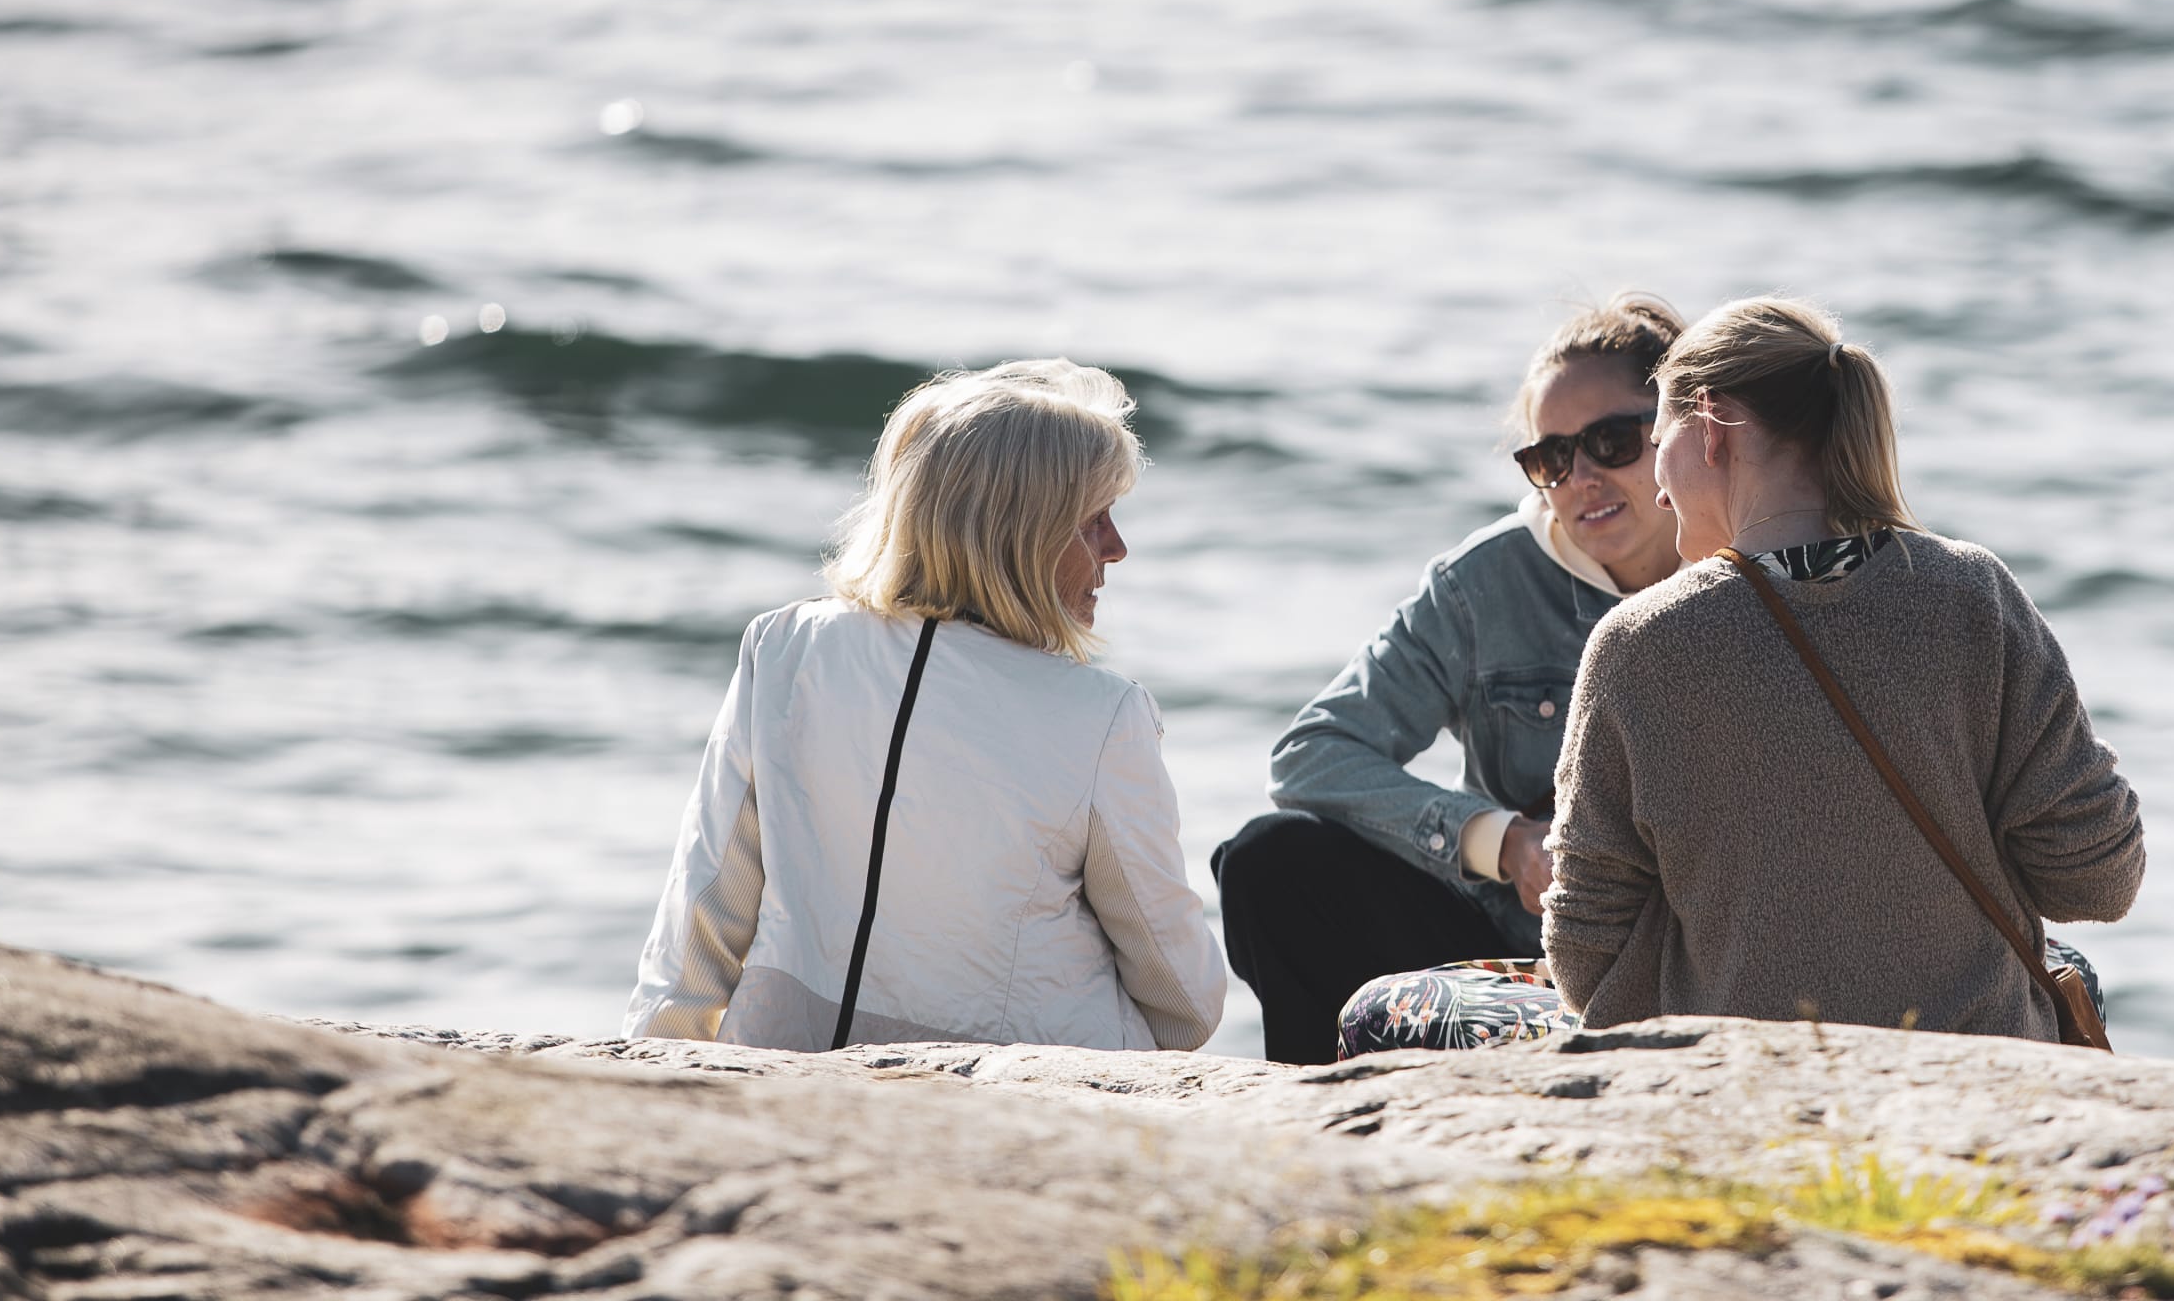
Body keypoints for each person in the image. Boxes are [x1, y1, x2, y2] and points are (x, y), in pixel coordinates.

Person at [1541, 297, 2144, 1041]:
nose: (1659, 485)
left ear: (1711, 423)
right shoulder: (1972, 596)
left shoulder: (1640, 645)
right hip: (1975, 1064)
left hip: (1736, 1080)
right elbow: (2100, 879)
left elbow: (1580, 954)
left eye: (1660, 439)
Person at [624, 360, 1227, 1051]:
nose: (1116, 549)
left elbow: (703, 915)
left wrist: (651, 1070)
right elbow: (1186, 1001)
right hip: (1018, 1090)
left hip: (785, 1057)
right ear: (1016, 532)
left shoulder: (786, 649)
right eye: (1093, 520)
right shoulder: (1103, 716)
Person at [1212, 294, 1686, 1063]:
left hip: (1709, 949)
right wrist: (1505, 845)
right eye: (1551, 459)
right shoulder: (1484, 585)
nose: (1582, 480)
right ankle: (1324, 1126)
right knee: (1271, 861)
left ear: (1680, 426)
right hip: (1516, 944)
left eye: (1611, 440)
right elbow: (1312, 755)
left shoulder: (1759, 565)